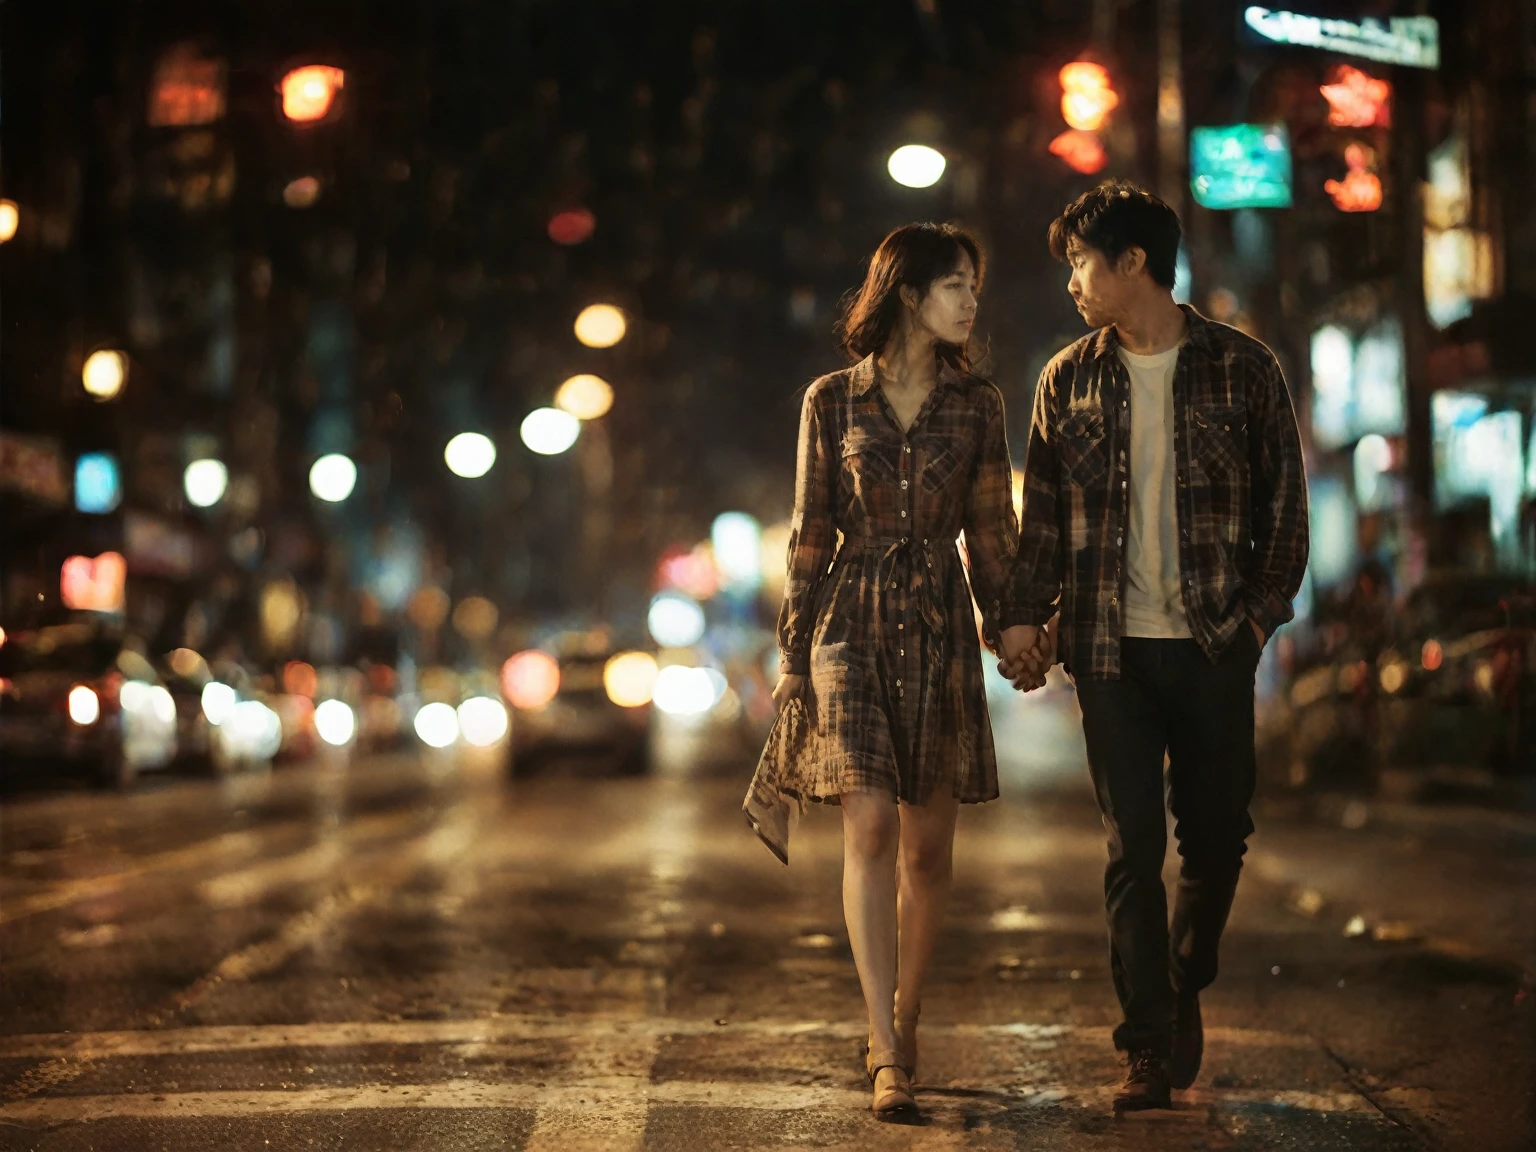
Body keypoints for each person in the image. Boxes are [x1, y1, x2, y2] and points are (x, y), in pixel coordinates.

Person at [1001, 182, 1309, 1113]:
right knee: (1131, 848)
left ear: (1133, 263)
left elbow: (1284, 517)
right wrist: (1023, 616)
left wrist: (1257, 620)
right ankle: (1145, 1043)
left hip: (1216, 643)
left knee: (1217, 836)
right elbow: (1043, 523)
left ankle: (1184, 977)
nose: (1072, 285)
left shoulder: (1245, 370)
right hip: (1110, 651)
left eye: (1080, 264)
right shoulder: (1068, 379)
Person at [744, 222, 1037, 1118]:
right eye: (956, 285)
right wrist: (793, 655)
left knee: (929, 846)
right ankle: (885, 1045)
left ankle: (906, 1014)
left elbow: (992, 535)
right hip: (849, 623)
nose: (970, 302)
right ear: (908, 294)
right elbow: (810, 534)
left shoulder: (978, 405)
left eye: (973, 288)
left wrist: (1013, 629)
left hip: (939, 622)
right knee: (868, 825)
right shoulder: (830, 401)